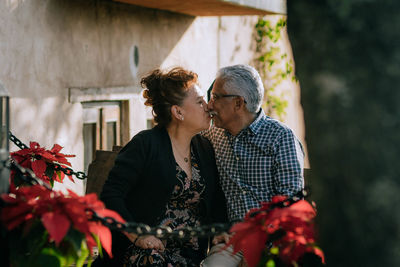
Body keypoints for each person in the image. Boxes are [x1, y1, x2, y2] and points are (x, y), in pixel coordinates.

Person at [95, 67, 227, 266]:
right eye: (200, 102)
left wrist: (219, 231)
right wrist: (138, 235)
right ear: (178, 112)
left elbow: (216, 199)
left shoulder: (204, 149)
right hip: (145, 251)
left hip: (190, 256)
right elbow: (111, 195)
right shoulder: (145, 144)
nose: (208, 107)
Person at [201, 64, 305, 266]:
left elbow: (290, 200)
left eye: (215, 97)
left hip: (272, 240)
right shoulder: (212, 136)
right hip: (231, 239)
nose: (209, 105)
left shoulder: (280, 137)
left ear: (238, 103)